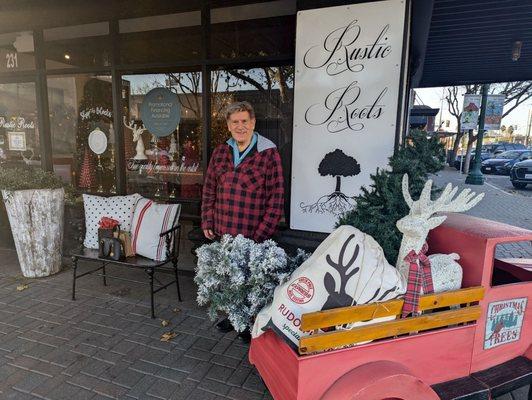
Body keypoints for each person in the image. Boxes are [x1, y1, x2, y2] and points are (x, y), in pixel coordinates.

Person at [201, 101, 284, 340]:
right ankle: (233, 317)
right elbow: (209, 189)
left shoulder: (268, 153)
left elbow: (276, 197)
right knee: (229, 278)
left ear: (253, 122)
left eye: (244, 121)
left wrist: (260, 235)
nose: (240, 126)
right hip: (223, 232)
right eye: (235, 122)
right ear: (228, 125)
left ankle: (250, 324)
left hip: (253, 235)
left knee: (252, 283)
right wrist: (207, 220)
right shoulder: (220, 152)